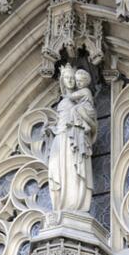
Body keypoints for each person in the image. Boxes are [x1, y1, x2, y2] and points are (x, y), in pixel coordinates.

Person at [48, 64, 97, 212]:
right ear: (62, 80)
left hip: (74, 139)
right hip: (60, 137)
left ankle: (74, 204)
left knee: (73, 170)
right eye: (66, 78)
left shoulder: (82, 97)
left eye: (71, 78)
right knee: (56, 170)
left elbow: (92, 122)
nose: (69, 81)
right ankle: (60, 206)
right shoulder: (64, 102)